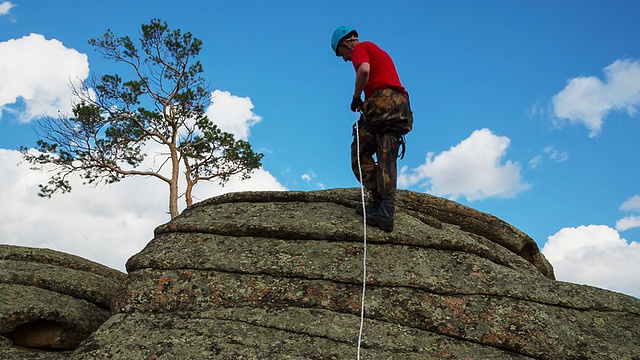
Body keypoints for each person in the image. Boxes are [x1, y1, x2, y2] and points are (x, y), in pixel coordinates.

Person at [331, 26, 413, 232]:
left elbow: (364, 70)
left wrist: (356, 97)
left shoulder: (361, 47)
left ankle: (378, 201)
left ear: (347, 42)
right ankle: (385, 210)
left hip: (383, 102)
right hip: (400, 106)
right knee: (386, 154)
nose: (345, 59)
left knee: (360, 154)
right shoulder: (377, 50)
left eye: (342, 53)